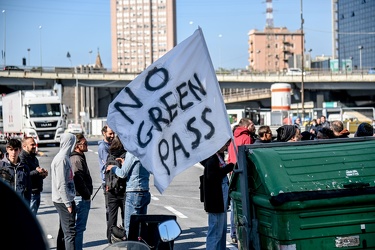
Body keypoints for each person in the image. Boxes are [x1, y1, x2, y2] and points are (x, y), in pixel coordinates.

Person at [107, 150, 151, 237]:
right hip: (145, 190)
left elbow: (122, 173)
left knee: (130, 227)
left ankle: (131, 245)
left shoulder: (132, 153)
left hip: (134, 191)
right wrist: (125, 163)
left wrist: (113, 168)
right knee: (140, 226)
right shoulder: (147, 152)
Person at [200, 140, 235, 250]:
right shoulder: (212, 159)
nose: (227, 146)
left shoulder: (217, 156)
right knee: (215, 231)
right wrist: (228, 168)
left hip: (219, 198)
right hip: (216, 199)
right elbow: (213, 177)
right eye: (225, 144)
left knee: (221, 229)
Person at [226, 118, 255, 243]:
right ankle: (244, 233)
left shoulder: (233, 137)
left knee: (234, 205)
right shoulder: (246, 138)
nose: (254, 127)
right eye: (253, 125)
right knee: (245, 205)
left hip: (232, 172)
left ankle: (233, 232)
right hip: (243, 173)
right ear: (247, 126)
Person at [51, 133, 77, 250]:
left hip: (64, 199)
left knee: (64, 230)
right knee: (70, 233)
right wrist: (68, 204)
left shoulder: (64, 157)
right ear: (69, 143)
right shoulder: (62, 159)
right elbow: (61, 184)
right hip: (63, 200)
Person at [70, 133, 93, 250]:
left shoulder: (79, 157)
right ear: (77, 146)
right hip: (80, 197)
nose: (87, 145)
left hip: (81, 197)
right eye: (85, 143)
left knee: (78, 228)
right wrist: (87, 194)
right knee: (79, 228)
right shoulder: (76, 159)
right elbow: (78, 180)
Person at [105, 136, 126, 244]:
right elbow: (125, 173)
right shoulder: (125, 155)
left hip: (111, 190)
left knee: (111, 219)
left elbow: (106, 172)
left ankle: (110, 240)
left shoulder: (110, 155)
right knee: (125, 217)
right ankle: (125, 238)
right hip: (123, 190)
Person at [19, 137, 48, 215]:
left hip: (36, 191)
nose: (35, 146)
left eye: (35, 144)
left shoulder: (33, 157)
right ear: (24, 146)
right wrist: (37, 171)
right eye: (32, 145)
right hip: (30, 192)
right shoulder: (22, 158)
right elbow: (23, 175)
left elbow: (35, 173)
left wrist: (42, 174)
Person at [0, 138, 32, 204]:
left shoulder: (25, 168)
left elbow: (28, 190)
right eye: (11, 149)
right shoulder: (1, 165)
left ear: (20, 150)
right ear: (7, 149)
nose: (13, 153)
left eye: (16, 150)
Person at [98, 125, 115, 224]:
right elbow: (108, 165)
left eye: (113, 133)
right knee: (110, 210)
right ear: (104, 133)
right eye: (110, 133)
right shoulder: (103, 147)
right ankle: (111, 232)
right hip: (108, 182)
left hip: (114, 181)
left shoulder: (111, 145)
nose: (112, 136)